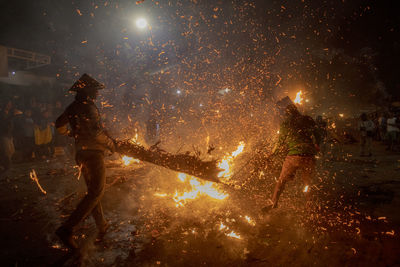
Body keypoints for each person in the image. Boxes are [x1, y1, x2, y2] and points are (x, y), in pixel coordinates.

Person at [55, 73, 115, 249]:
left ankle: (102, 225)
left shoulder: (72, 107)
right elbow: (96, 134)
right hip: (93, 155)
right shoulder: (89, 108)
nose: (97, 93)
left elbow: (58, 124)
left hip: (80, 154)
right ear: (87, 91)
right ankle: (67, 229)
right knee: (96, 192)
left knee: (93, 192)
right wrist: (112, 145)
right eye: (95, 90)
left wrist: (70, 133)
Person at [263, 98, 321, 211]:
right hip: (309, 156)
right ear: (297, 110)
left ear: (287, 113)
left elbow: (280, 143)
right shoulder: (308, 119)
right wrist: (317, 144)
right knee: (307, 182)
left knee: (281, 180)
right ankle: (310, 204)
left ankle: (274, 202)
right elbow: (317, 134)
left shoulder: (286, 123)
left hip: (294, 157)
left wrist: (271, 154)